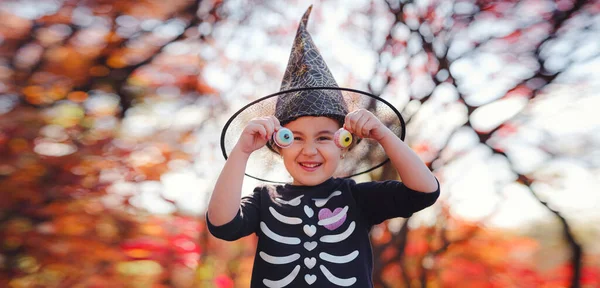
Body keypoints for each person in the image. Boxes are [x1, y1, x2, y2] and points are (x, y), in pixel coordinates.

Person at [207, 6, 440, 287]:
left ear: (343, 144)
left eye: (323, 138)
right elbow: (222, 225)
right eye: (295, 138)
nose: (309, 150)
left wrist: (383, 134)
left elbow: (424, 192)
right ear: (279, 145)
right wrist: (241, 152)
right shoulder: (265, 200)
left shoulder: (357, 198)